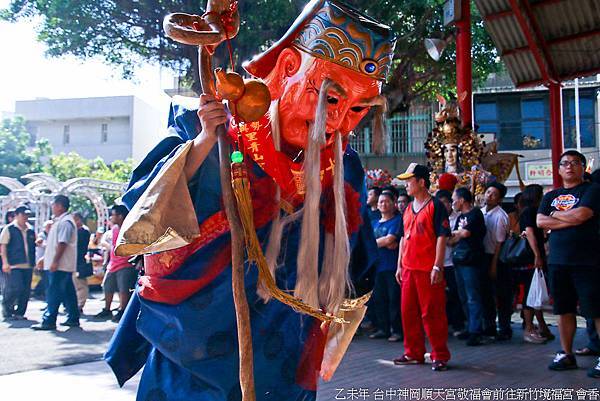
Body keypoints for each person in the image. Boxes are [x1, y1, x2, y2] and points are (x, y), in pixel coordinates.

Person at [106, 2, 395, 398]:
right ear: (290, 67)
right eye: (329, 99)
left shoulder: (344, 168)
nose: (337, 121)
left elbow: (355, 269)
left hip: (284, 349)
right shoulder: (215, 128)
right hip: (195, 347)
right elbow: (145, 215)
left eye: (357, 109)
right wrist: (205, 143)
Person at [537, 150, 600, 377]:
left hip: (587, 261)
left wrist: (556, 216)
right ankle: (566, 353)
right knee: (563, 309)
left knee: (595, 310)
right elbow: (540, 220)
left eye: (575, 163)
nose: (569, 167)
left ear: (583, 168)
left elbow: (582, 215)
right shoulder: (550, 196)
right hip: (558, 261)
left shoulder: (592, 190)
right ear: (559, 169)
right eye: (564, 163)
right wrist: (566, 217)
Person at [394, 163, 451, 371]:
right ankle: (413, 353)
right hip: (408, 269)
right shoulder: (408, 208)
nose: (406, 185)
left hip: (427, 269)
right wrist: (399, 265)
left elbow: (442, 237)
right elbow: (402, 238)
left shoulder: (435, 206)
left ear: (421, 182)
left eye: (409, 181)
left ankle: (439, 355)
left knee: (432, 313)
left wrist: (437, 266)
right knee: (407, 312)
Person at [31, 195, 79, 330]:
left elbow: (62, 243)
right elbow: (54, 245)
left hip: (60, 265)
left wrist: (55, 262)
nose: (52, 207)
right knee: (68, 292)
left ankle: (49, 320)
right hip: (60, 264)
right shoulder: (61, 221)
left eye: (53, 204)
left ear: (59, 206)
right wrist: (45, 259)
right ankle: (73, 317)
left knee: (54, 292)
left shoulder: (65, 222)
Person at [449, 187, 487, 346]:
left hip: (472, 261)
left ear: (462, 200)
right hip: (459, 260)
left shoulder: (475, 214)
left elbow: (464, 234)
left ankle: (476, 330)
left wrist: (456, 234)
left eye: (454, 199)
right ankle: (470, 326)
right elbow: (451, 239)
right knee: (463, 296)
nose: (453, 203)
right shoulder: (459, 218)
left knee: (473, 296)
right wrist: (456, 234)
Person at [514, 184, 551, 344]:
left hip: (534, 256)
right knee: (531, 291)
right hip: (531, 257)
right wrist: (537, 254)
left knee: (535, 291)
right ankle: (529, 328)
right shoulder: (529, 212)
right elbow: (529, 233)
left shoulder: (528, 212)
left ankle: (540, 326)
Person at [369, 192, 403, 342]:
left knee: (394, 299)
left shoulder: (397, 221)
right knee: (379, 299)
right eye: (381, 202)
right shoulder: (374, 223)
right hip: (377, 267)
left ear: (393, 203)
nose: (384, 204)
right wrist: (384, 242)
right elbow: (370, 243)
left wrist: (380, 242)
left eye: (387, 201)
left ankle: (397, 330)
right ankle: (383, 329)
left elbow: (392, 239)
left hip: (392, 267)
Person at [95, 205, 137, 323]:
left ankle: (122, 310)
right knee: (108, 286)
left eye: (113, 214)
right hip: (113, 264)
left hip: (125, 264)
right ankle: (107, 309)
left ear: (120, 216)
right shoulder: (114, 229)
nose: (111, 217)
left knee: (123, 289)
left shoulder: (129, 228)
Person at [480, 182, 511, 340]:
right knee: (486, 294)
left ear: (499, 199)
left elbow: (500, 242)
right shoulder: (481, 211)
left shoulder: (501, 216)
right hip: (483, 256)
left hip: (497, 257)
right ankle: (489, 325)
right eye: (488, 192)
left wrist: (493, 265)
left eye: (494, 194)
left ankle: (505, 327)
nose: (489, 196)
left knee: (501, 294)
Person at [435, 189, 465, 337]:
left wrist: (448, 238)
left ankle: (458, 324)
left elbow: (453, 240)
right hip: (437, 263)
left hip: (452, 263)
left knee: (455, 295)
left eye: (445, 203)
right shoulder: (434, 218)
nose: (442, 206)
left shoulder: (459, 218)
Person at [0, 205, 36, 321]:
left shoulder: (30, 229)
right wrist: (5, 262)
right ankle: (7, 305)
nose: (26, 217)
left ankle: (20, 312)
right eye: (23, 214)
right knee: (16, 287)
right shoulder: (9, 229)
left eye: (27, 215)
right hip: (14, 264)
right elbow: (3, 246)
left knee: (26, 290)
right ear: (17, 215)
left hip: (28, 264)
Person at [72, 212, 92, 312]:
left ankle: (80, 304)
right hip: (74, 260)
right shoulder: (77, 231)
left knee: (80, 284)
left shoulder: (83, 231)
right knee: (75, 284)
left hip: (79, 261)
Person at [32, 220, 52, 300]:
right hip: (42, 263)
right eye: (48, 227)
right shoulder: (41, 235)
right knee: (46, 282)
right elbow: (40, 243)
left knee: (48, 282)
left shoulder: (53, 235)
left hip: (50, 263)